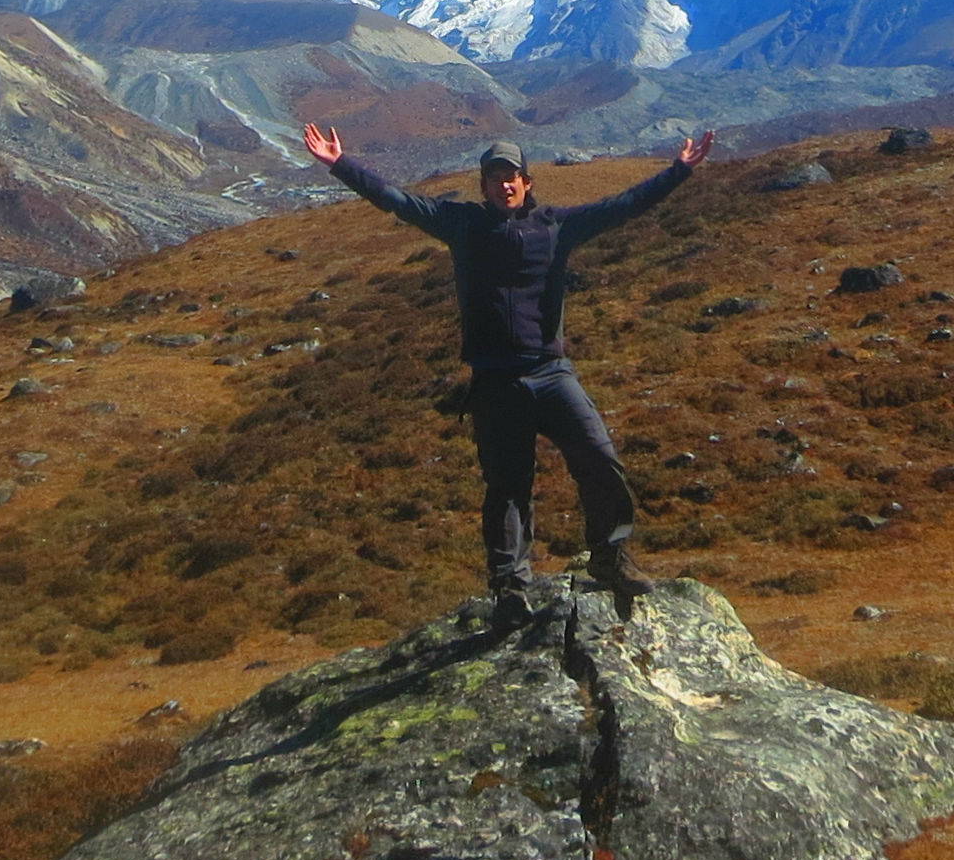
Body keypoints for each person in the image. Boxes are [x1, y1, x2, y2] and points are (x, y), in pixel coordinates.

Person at [301, 123, 715, 613]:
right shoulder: (462, 225)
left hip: (551, 373)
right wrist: (340, 164)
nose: (505, 184)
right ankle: (510, 587)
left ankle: (609, 555)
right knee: (507, 489)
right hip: (495, 382)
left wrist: (679, 172)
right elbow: (397, 201)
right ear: (484, 186)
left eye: (513, 175)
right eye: (495, 177)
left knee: (600, 460)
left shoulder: (555, 226)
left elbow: (622, 207)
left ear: (527, 182)